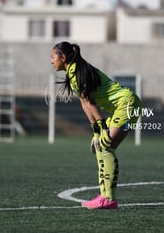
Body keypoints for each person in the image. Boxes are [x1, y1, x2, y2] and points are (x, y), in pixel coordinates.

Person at [50, 41, 141, 210]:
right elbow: (85, 103)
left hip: (127, 105)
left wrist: (102, 129)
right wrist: (96, 130)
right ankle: (105, 195)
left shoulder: (77, 72)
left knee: (105, 147)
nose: (51, 60)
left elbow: (90, 103)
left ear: (63, 57)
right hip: (123, 107)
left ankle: (108, 199)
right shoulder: (74, 71)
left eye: (52, 57)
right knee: (102, 146)